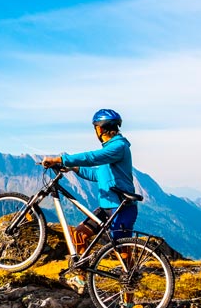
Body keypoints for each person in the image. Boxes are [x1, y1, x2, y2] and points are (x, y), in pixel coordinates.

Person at [41, 108, 138, 293]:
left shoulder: (118, 147)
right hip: (107, 207)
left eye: (95, 128)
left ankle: (129, 298)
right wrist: (75, 168)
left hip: (121, 208)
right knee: (79, 234)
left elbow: (92, 158)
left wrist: (61, 159)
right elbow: (97, 174)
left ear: (100, 128)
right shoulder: (111, 149)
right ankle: (80, 279)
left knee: (123, 252)